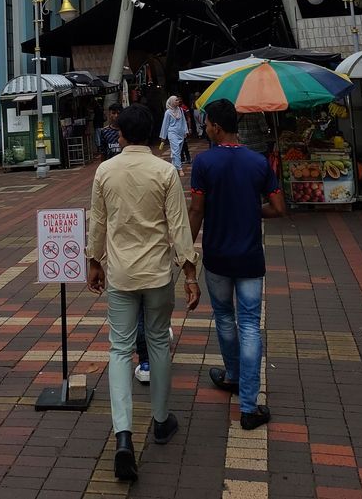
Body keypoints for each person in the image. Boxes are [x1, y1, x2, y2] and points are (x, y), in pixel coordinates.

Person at [87, 103, 200, 483]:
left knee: (119, 349)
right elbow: (178, 225)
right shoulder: (165, 171)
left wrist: (94, 260)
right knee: (156, 343)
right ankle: (162, 420)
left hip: (120, 274)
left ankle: (123, 435)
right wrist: (189, 272)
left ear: (120, 135)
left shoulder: (105, 170)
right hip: (157, 274)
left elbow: (97, 221)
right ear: (153, 134)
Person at [189, 98, 285, 430]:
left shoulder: (204, 163)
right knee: (249, 325)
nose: (206, 128)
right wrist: (252, 209)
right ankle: (249, 405)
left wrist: (187, 248)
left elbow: (197, 210)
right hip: (249, 257)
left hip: (216, 256)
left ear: (216, 126)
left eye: (207, 123)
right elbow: (278, 207)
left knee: (224, 317)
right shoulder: (258, 162)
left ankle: (231, 375)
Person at [159, 95, 188, 176]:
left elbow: (183, 121)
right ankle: (180, 169)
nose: (177, 101)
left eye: (177, 100)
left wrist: (185, 131)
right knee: (175, 151)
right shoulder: (168, 112)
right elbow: (165, 125)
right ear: (171, 102)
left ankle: (173, 167)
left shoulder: (181, 110)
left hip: (181, 133)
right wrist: (163, 137)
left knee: (177, 151)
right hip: (172, 133)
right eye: (175, 100)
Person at [178, 96, 192, 164]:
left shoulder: (184, 108)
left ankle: (188, 158)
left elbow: (188, 118)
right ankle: (182, 158)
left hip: (184, 128)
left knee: (185, 144)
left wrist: (189, 128)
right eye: (178, 100)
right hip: (177, 129)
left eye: (180, 99)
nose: (179, 101)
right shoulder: (175, 109)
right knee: (179, 144)